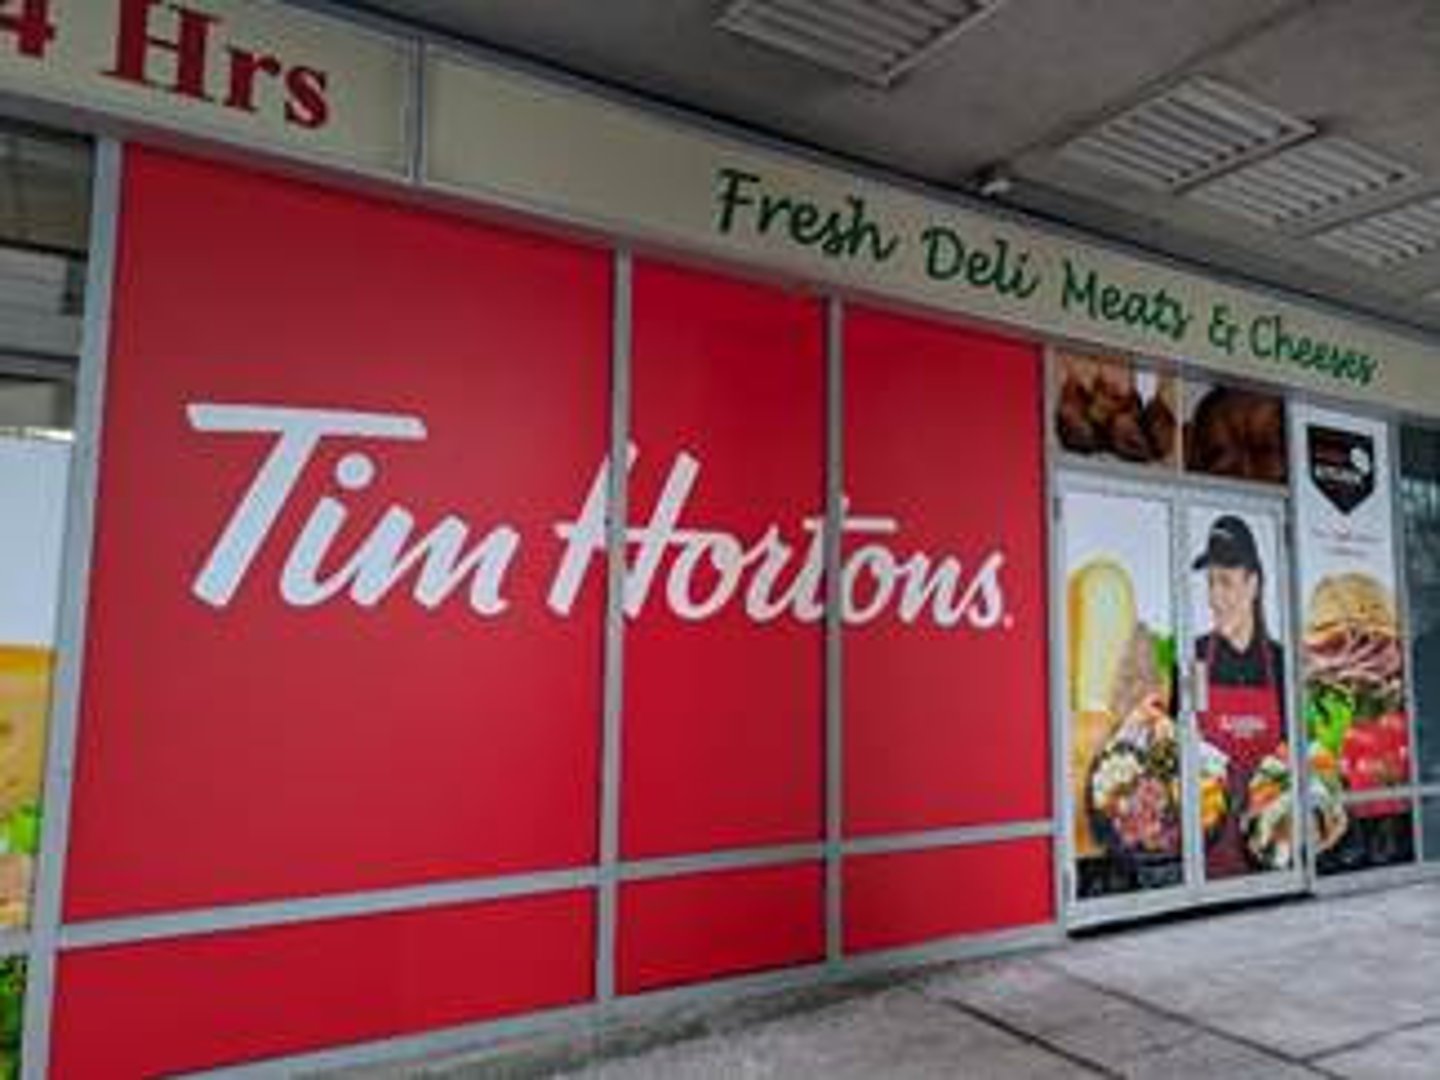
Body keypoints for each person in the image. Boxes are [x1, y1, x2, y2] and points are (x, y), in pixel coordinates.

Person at [1192, 514, 1286, 878]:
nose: (1215, 597)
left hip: (1273, 846)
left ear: (1254, 584)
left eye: (1226, 583)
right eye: (1211, 582)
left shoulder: (1281, 663)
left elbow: (1296, 753)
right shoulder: (1195, 656)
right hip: (1207, 849)